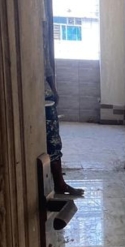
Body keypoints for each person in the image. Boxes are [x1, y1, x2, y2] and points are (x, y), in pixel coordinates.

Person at [44, 22, 84, 196]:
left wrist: (53, 90)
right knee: (49, 144)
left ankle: (59, 184)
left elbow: (46, 66)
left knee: (53, 143)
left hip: (46, 99)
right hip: (37, 99)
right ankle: (57, 184)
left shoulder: (38, 36)